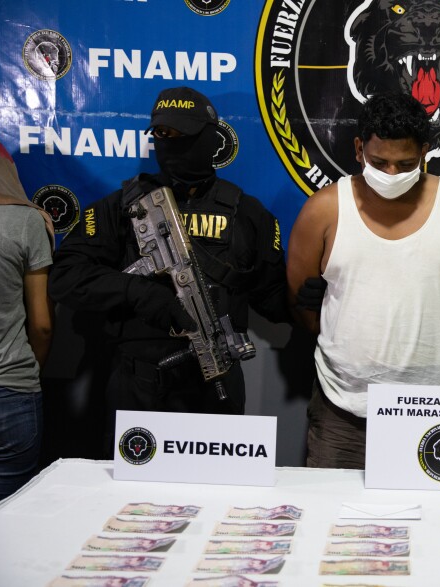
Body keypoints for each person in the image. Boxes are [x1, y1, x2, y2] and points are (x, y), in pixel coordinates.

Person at [48, 87, 288, 456]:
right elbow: (66, 277)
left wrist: (311, 294)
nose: (170, 144)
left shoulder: (247, 214)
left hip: (216, 384)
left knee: (220, 499)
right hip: (139, 385)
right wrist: (138, 292)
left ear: (210, 137)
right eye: (162, 135)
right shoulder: (122, 208)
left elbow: (273, 300)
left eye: (182, 136)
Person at [286, 93, 440, 469]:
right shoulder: (324, 209)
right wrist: (340, 341)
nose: (392, 174)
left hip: (433, 405)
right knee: (332, 521)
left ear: (425, 152)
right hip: (342, 407)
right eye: (380, 162)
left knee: (432, 523)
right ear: (359, 148)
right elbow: (300, 299)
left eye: (406, 163)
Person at [0, 135, 54, 514]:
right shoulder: (26, 220)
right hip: (7, 393)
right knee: (3, 524)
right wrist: (28, 373)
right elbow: (41, 325)